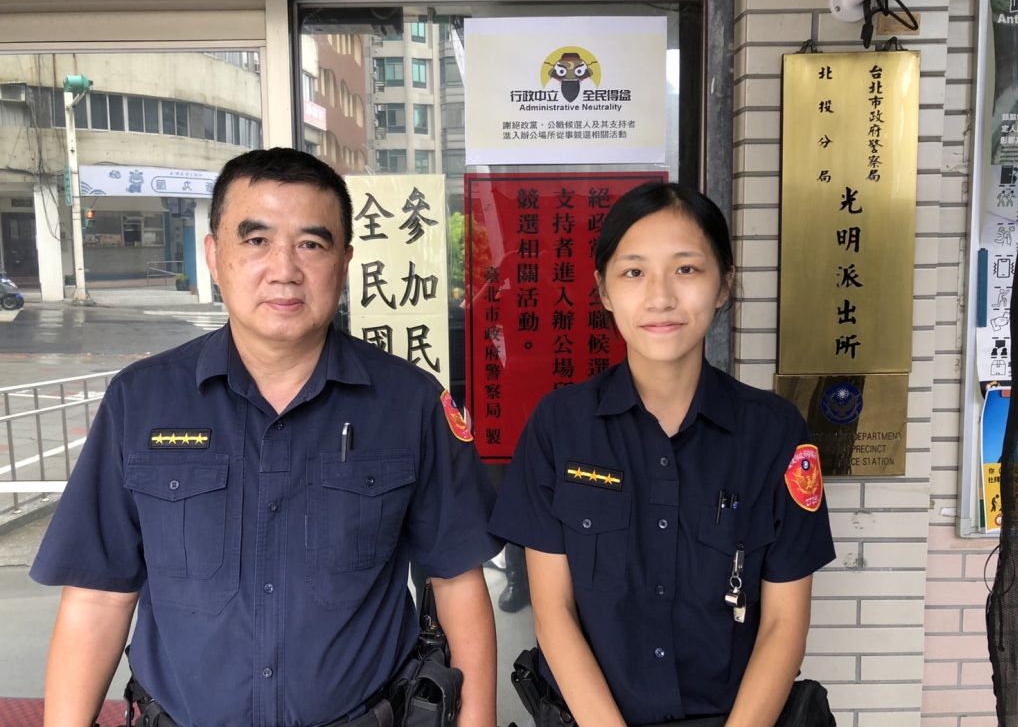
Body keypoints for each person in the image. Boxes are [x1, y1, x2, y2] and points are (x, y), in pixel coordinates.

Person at [30, 147, 502, 727]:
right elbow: (98, 597)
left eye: (312, 244)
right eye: (256, 240)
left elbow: (456, 581)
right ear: (214, 256)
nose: (285, 269)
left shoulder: (409, 403)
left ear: (345, 262)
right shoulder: (142, 401)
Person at [489, 182, 835, 727]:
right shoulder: (560, 427)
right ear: (604, 290)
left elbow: (783, 624)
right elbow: (553, 613)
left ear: (724, 285)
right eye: (634, 272)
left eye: (686, 269)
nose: (660, 297)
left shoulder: (775, 434)